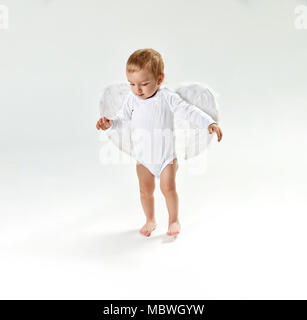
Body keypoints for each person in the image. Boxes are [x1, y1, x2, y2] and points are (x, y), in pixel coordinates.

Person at [96, 48, 223, 237]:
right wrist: (110, 124)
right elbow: (122, 119)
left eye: (144, 83)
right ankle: (150, 219)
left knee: (168, 188)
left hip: (166, 158)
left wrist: (209, 122)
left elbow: (188, 110)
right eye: (131, 84)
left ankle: (173, 220)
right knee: (145, 191)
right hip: (144, 159)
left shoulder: (166, 97)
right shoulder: (132, 100)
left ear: (159, 79)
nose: (137, 89)